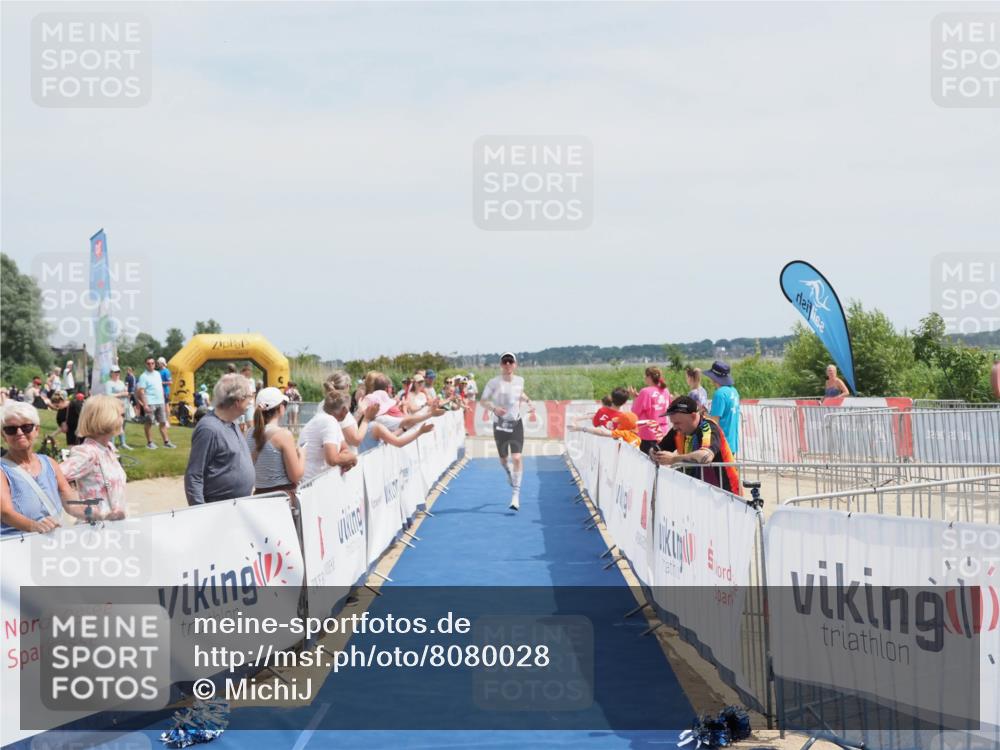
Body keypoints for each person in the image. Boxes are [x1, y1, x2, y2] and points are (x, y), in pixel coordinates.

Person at [1, 402, 79, 535]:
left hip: (51, 539)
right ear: (3, 435)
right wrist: (34, 526)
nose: (19, 433)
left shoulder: (50, 463)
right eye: (11, 429)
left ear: (36, 430)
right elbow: (5, 513)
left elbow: (70, 500)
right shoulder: (2, 470)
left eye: (26, 427)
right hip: (17, 542)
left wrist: (91, 512)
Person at [184, 374, 255, 505]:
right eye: (249, 397)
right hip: (218, 510)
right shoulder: (208, 429)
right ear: (238, 401)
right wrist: (200, 511)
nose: (251, 402)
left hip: (235, 508)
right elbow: (194, 475)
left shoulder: (232, 422)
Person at [479, 352, 536, 511]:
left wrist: (528, 401)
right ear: (501, 364)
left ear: (515, 364)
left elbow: (519, 394)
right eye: (505, 361)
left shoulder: (520, 380)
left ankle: (515, 496)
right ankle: (509, 472)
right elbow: (483, 401)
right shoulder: (493, 382)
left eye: (511, 361)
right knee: (504, 460)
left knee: (517, 457)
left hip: (516, 423)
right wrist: (494, 409)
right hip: (500, 424)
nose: (508, 364)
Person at [651, 396, 741, 494]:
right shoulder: (678, 430)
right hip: (701, 490)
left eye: (677, 423)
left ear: (693, 416)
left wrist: (674, 459)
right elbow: (656, 449)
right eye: (673, 423)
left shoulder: (708, 427)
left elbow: (705, 456)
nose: (675, 427)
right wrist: (654, 454)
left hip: (727, 492)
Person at [60, 395, 128, 521]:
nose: (124, 419)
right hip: (95, 528)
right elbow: (54, 477)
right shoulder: (88, 453)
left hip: (115, 526)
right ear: (107, 418)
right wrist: (74, 507)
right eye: (121, 415)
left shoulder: (108, 449)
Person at [249, 387, 304, 496]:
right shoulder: (283, 435)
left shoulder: (248, 433)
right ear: (281, 408)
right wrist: (302, 454)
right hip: (281, 497)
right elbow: (295, 476)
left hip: (259, 495)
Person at [298, 389, 358, 484]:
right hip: (311, 482)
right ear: (345, 410)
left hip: (316, 480)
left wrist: (346, 459)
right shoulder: (328, 421)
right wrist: (353, 458)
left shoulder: (329, 420)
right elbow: (332, 459)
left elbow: (344, 448)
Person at [136, 357, 176, 449]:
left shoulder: (158, 374)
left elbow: (160, 387)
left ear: (155, 364)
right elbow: (141, 391)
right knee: (149, 422)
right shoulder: (143, 376)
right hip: (150, 402)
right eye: (148, 363)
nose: (151, 365)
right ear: (146, 365)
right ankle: (149, 442)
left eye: (152, 363)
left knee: (163, 422)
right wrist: (145, 405)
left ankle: (166, 442)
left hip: (160, 401)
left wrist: (163, 399)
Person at [630, 366, 671, 454]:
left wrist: (635, 399)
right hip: (663, 432)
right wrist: (639, 397)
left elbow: (635, 412)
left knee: (648, 460)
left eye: (645, 376)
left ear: (649, 377)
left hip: (648, 434)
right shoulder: (665, 391)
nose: (644, 378)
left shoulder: (645, 392)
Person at [706, 360, 741, 455]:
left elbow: (714, 421)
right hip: (732, 443)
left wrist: (703, 415)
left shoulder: (719, 394)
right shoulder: (734, 391)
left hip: (720, 445)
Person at [104, 365, 134, 450]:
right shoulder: (109, 383)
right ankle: (111, 444)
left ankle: (123, 443)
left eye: (118, 372)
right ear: (111, 373)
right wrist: (121, 394)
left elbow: (125, 392)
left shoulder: (121, 382)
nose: (117, 374)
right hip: (114, 406)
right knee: (114, 425)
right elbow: (108, 395)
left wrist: (126, 393)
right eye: (115, 372)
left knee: (122, 425)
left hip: (123, 406)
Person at [238, 365, 257, 434]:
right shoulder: (238, 381)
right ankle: (240, 439)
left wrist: (254, 404)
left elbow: (253, 393)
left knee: (251, 425)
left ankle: (250, 439)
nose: (248, 374)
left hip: (250, 405)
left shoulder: (252, 381)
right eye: (246, 373)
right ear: (242, 372)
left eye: (249, 373)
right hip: (240, 405)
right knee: (241, 427)